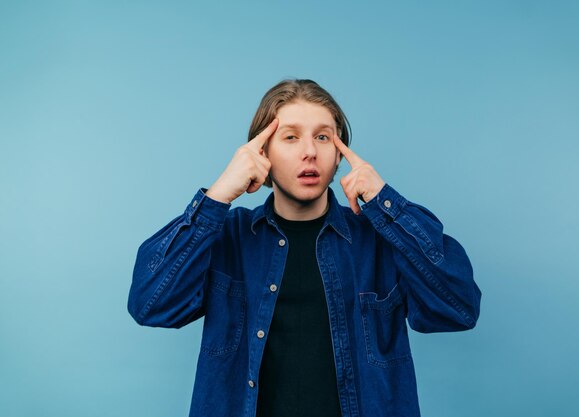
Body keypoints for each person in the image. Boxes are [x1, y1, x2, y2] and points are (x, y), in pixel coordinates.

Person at [128, 79, 481, 417]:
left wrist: (387, 203)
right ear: (262, 153)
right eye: (291, 137)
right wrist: (218, 194)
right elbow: (150, 304)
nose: (309, 152)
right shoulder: (228, 237)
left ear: (339, 154)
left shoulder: (380, 240)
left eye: (323, 137)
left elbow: (459, 307)